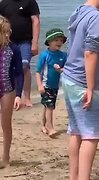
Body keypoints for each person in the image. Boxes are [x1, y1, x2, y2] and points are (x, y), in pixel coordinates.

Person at [61, 0, 99, 179]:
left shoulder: (78, 11)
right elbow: (90, 52)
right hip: (82, 83)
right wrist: (91, 88)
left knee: (76, 131)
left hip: (69, 78)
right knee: (91, 136)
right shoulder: (95, 17)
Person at [0, 0, 40, 107]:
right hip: (7, 42)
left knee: (24, 66)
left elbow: (35, 21)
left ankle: (27, 97)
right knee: (8, 69)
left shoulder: (30, 2)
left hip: (25, 41)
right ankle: (13, 97)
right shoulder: (4, 3)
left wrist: (35, 43)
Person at [0, 16, 24, 168]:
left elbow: (19, 73)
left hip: (7, 89)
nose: (8, 35)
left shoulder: (13, 49)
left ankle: (5, 157)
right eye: (4, 32)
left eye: (9, 32)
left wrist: (18, 95)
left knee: (5, 124)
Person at [35, 28, 67, 138]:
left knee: (46, 105)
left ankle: (43, 125)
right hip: (45, 85)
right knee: (50, 106)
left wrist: (61, 70)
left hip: (55, 86)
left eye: (61, 40)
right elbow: (38, 72)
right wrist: (39, 85)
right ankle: (50, 126)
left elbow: (68, 69)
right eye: (56, 40)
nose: (59, 42)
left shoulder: (63, 55)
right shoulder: (45, 55)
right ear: (49, 42)